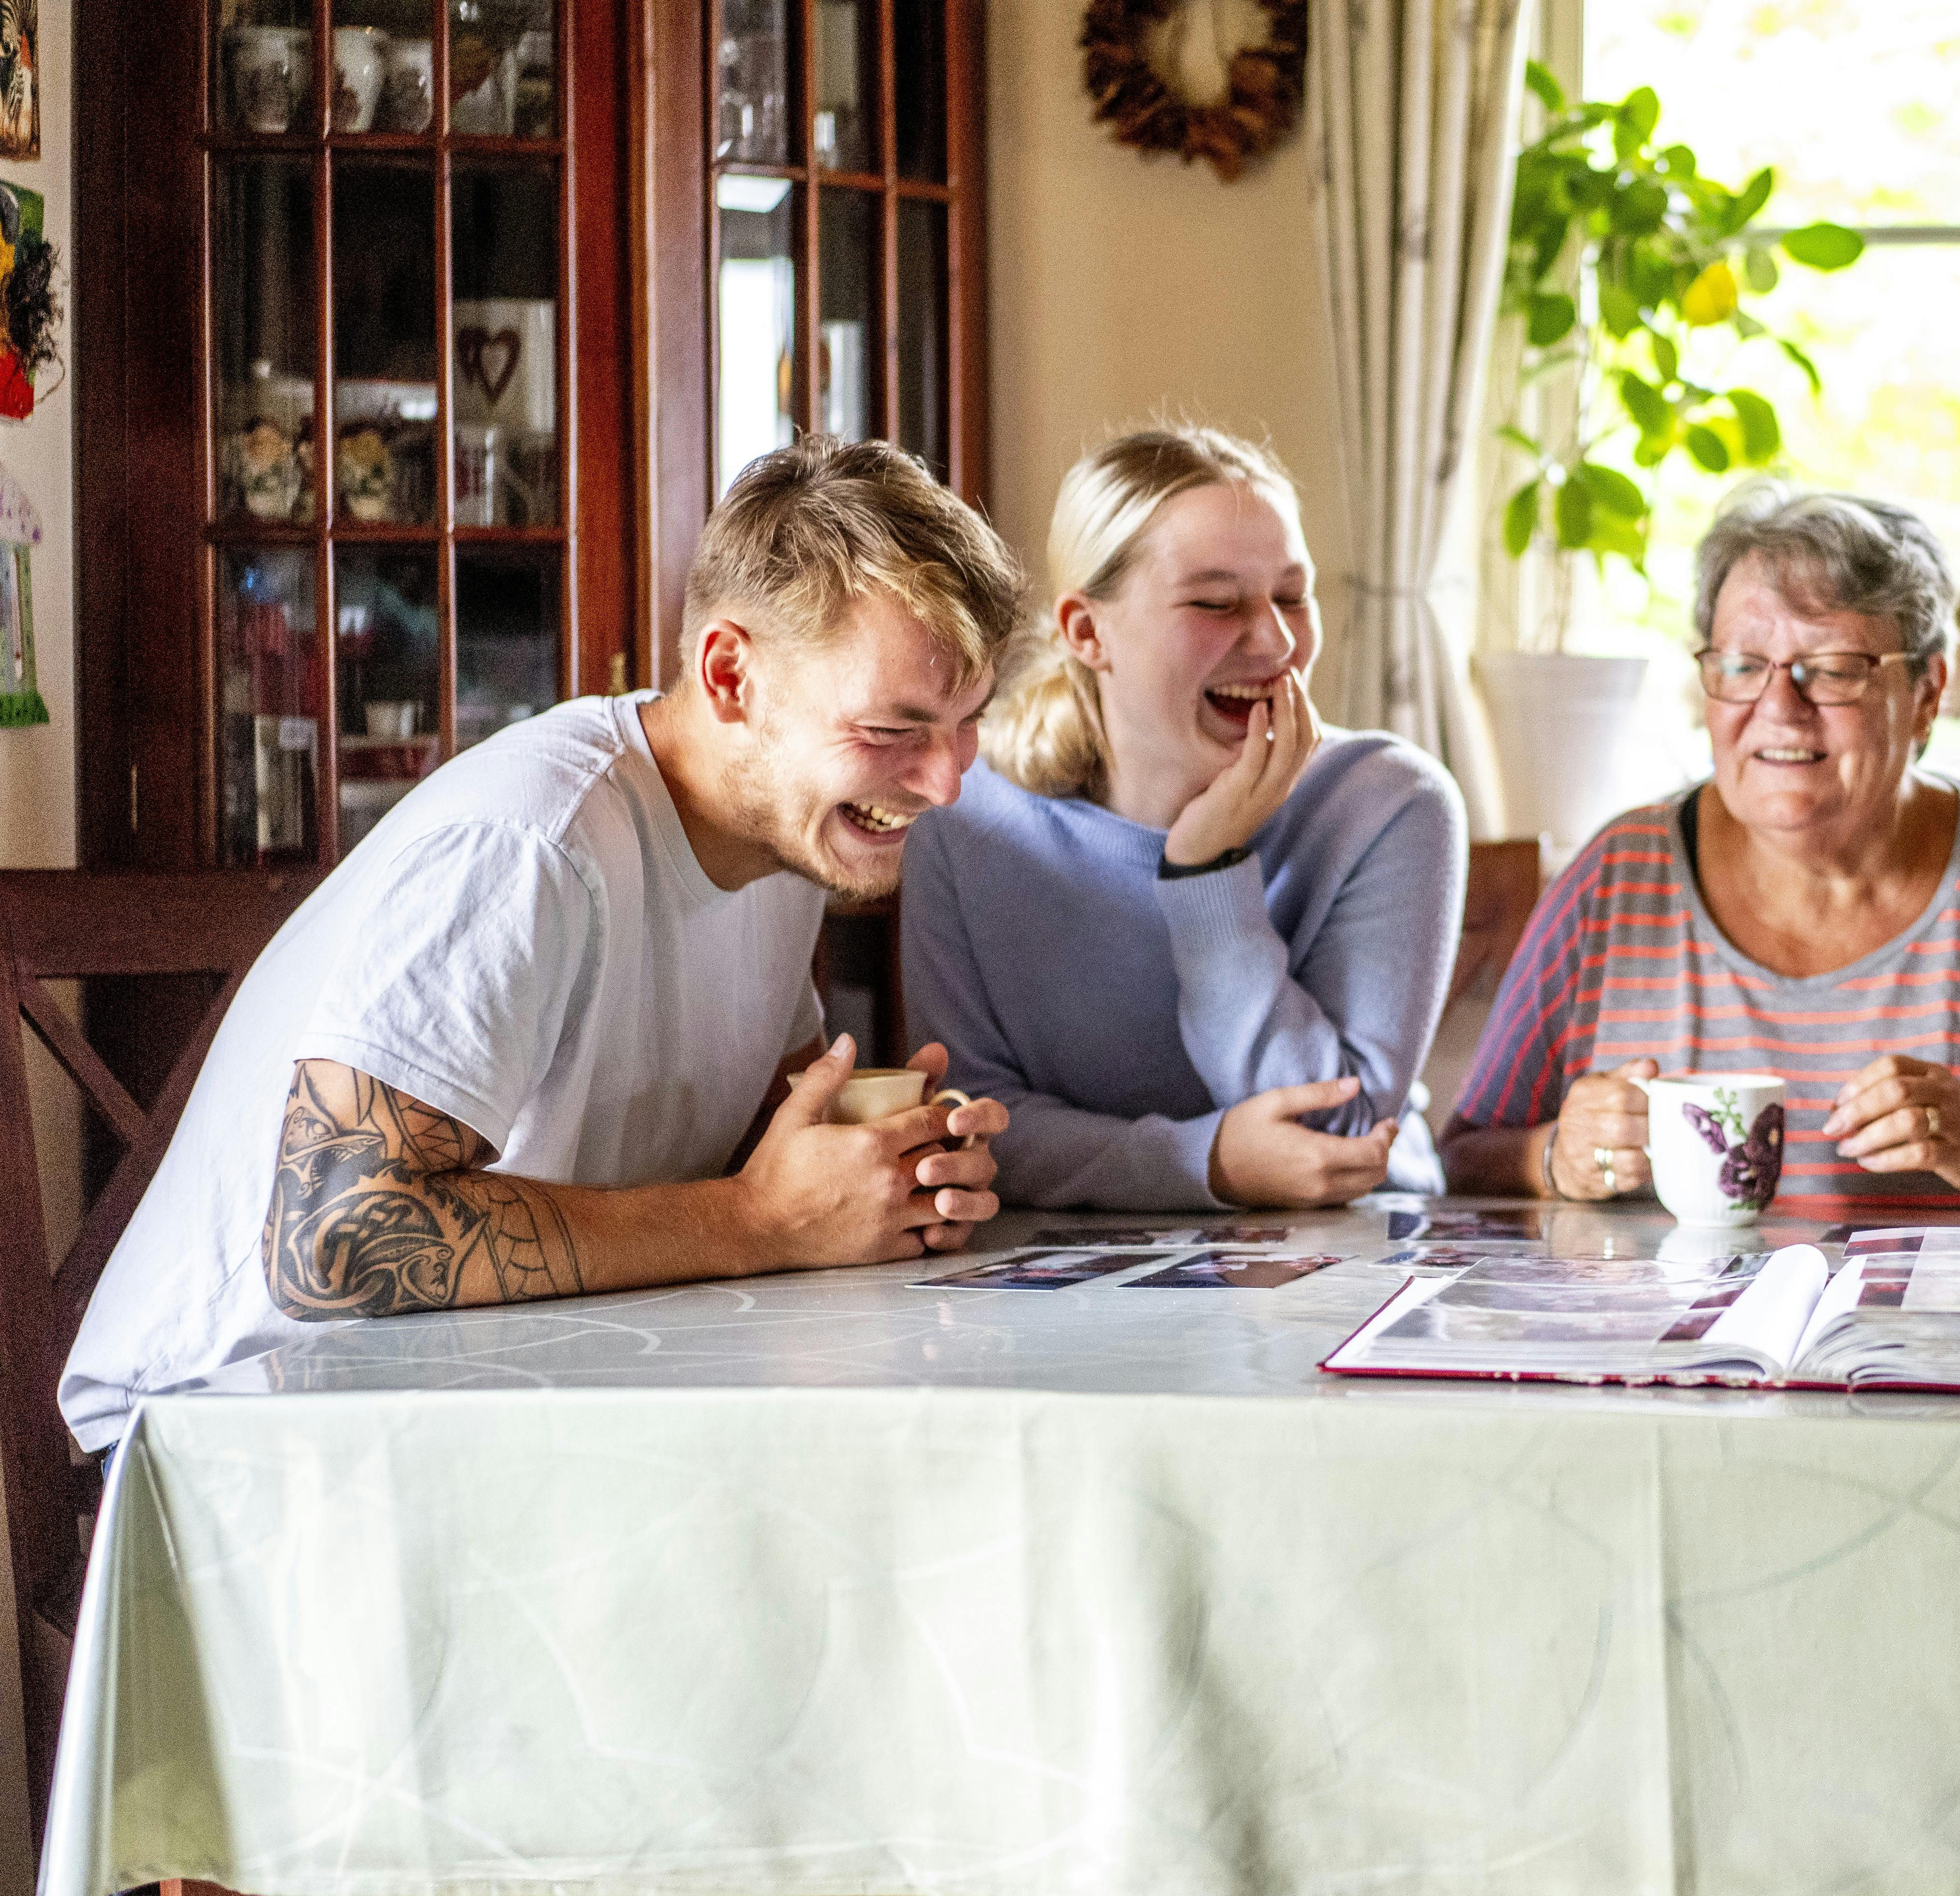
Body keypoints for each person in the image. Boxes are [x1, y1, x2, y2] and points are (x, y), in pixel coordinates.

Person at [62, 435, 1026, 1455]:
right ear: (732, 673)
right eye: (893, 730)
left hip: (467, 1404)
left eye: (968, 723)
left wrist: (890, 1163)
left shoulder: (789, 840)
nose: (947, 782)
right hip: (212, 1436)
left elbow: (759, 1142)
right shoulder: (533, 844)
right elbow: (329, 1239)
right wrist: (762, 1220)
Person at [1441, 483, 1960, 1215]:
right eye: (1741, 666)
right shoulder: (1619, 876)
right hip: (1672, 1344)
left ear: (1928, 694)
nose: (1779, 709)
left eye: (1834, 670)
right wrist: (1557, 1158)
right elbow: (1466, 1158)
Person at [901, 425, 1465, 1209]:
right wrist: (1207, 1164)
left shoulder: (1390, 802)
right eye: (1216, 603)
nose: (1277, 642)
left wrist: (1208, 871)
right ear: (1087, 632)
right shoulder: (967, 822)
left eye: (1293, 598)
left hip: (1358, 1263)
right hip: (1063, 1287)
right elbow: (972, 1128)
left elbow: (1336, 1142)